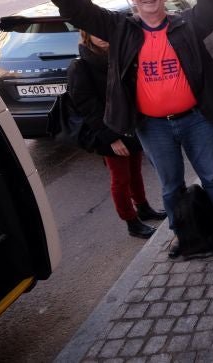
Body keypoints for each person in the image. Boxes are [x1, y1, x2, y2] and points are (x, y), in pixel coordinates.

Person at [7, 0, 213, 258]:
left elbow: (212, 4)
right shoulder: (120, 29)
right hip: (153, 126)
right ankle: (183, 235)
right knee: (171, 185)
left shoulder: (186, 23)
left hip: (196, 119)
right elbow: (74, 5)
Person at [67, 31, 165, 239]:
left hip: (130, 124)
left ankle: (143, 208)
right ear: (85, 36)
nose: (101, 35)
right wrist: (111, 137)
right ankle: (131, 222)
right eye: (93, 32)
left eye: (101, 29)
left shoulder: (120, 56)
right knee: (120, 179)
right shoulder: (80, 66)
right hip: (108, 131)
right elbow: (87, 107)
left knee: (135, 172)